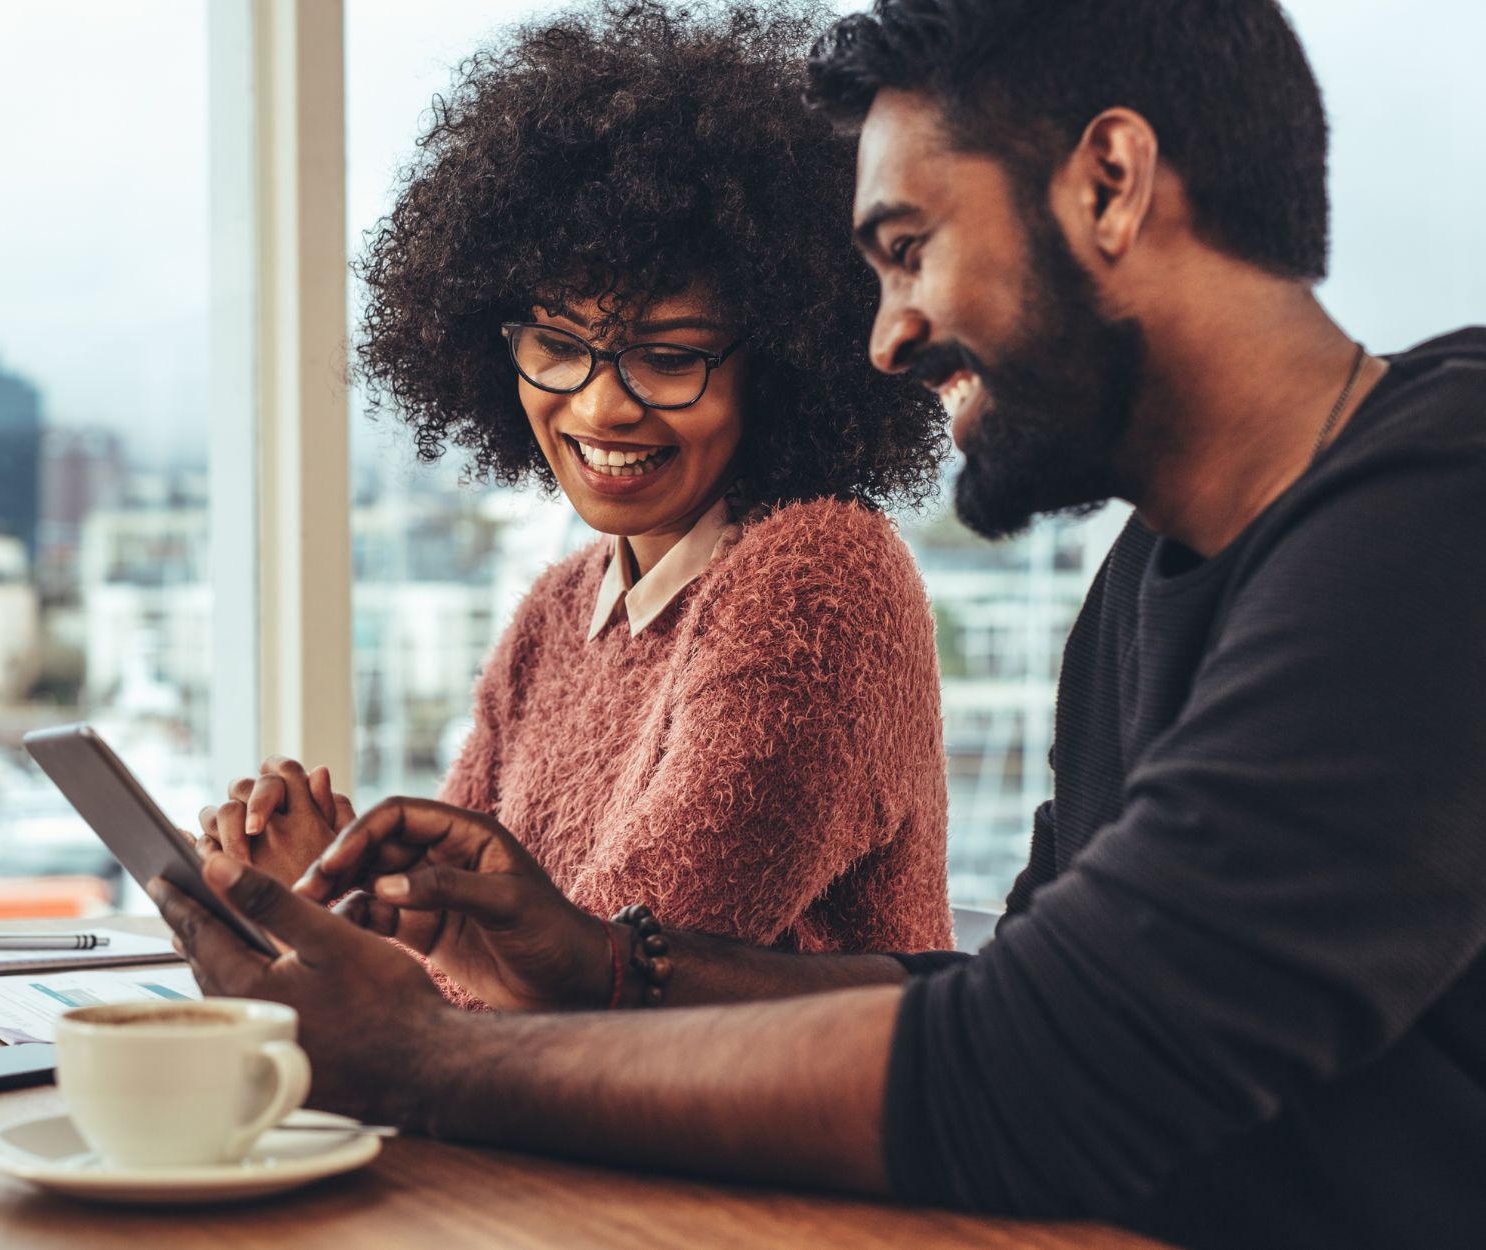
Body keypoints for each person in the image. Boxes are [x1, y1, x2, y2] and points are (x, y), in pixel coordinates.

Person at [150, 1, 1486, 1247]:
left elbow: (1047, 1064)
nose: (887, 336)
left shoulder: (1448, 495)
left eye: (908, 251)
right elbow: (991, 995)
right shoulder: (1145, 582)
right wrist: (604, 964)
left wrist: (417, 1059)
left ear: (1110, 183)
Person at [199, 0, 956, 985]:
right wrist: (332, 889)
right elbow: (473, 968)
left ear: (780, 362)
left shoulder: (820, 582)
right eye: (558, 346)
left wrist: (334, 923)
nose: (601, 404)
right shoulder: (557, 613)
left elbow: (596, 981)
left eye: (669, 356)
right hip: (547, 1135)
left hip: (734, 1138)